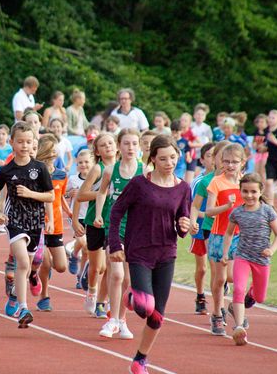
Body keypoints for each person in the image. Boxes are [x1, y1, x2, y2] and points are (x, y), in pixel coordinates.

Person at [108, 134, 191, 374]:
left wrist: (184, 226)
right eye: (163, 158)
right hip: (139, 252)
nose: (169, 162)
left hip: (166, 252)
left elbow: (181, 221)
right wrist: (115, 245)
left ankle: (140, 360)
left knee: (157, 316)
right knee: (144, 306)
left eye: (173, 157)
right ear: (153, 158)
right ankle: (131, 297)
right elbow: (116, 212)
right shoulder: (138, 184)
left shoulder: (183, 188)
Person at [0, 121, 54, 328]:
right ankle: (23, 307)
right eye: (20, 142)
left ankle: (14, 295)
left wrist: (30, 194)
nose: (24, 146)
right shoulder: (8, 169)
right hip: (15, 221)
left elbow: (51, 196)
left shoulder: (40, 168)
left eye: (28, 142)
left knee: (25, 269)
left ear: (33, 143)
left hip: (35, 222)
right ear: (12, 143)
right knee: (23, 263)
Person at [221, 173, 277, 345]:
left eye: (253, 192)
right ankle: (239, 327)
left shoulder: (267, 211)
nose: (249, 195)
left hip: (262, 259)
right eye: (245, 191)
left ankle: (248, 297)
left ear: (260, 191)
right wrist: (226, 253)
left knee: (260, 297)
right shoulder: (237, 213)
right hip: (242, 256)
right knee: (238, 289)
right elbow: (228, 233)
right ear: (240, 191)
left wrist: (272, 249)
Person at [94, 128, 142, 339]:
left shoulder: (145, 170)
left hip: (137, 229)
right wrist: (98, 214)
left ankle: (122, 321)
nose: (130, 147)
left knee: (129, 279)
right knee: (117, 273)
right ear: (119, 146)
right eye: (126, 143)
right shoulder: (110, 170)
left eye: (134, 143)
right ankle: (112, 319)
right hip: (114, 227)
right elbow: (102, 191)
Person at [76, 133, 118, 317]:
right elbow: (81, 195)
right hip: (96, 221)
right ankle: (92, 291)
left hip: (115, 222)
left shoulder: (124, 168)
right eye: (103, 145)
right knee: (96, 267)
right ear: (98, 151)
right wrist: (104, 193)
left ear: (117, 146)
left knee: (112, 264)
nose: (108, 146)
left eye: (110, 143)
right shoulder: (97, 169)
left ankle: (103, 302)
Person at [205, 143, 245, 335]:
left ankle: (235, 307)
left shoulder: (245, 183)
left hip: (241, 236)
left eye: (234, 162)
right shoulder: (216, 182)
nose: (230, 165)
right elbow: (209, 211)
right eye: (227, 162)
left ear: (242, 163)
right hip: (220, 235)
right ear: (221, 162)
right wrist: (226, 207)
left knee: (235, 277)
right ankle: (217, 315)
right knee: (220, 278)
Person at [35, 134, 70, 312]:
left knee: (61, 267)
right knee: (45, 263)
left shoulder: (61, 174)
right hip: (39, 225)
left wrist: (69, 211)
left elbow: (60, 196)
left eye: (55, 149)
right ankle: (44, 297)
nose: (54, 152)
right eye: (50, 149)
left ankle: (42, 271)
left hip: (56, 225)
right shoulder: (35, 173)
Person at [188, 142, 215, 314]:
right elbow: (192, 206)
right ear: (202, 160)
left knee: (217, 266)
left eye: (216, 155)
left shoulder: (224, 180)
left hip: (218, 227)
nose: (213, 159)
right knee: (203, 267)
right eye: (210, 156)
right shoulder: (199, 182)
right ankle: (200, 294)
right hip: (200, 226)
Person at [67, 149, 92, 288]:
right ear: (76, 164)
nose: (83, 165)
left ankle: (80, 276)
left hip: (90, 216)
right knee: (83, 243)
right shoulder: (73, 179)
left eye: (87, 162)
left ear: (92, 162)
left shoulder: (96, 179)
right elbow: (63, 195)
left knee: (87, 251)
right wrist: (70, 193)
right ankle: (74, 254)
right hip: (76, 215)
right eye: (80, 162)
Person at [252, 114, 268, 181]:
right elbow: (253, 143)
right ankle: (257, 184)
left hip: (265, 153)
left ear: (267, 123)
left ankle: (264, 186)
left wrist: (264, 146)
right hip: (258, 153)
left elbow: (268, 144)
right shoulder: (255, 132)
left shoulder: (267, 132)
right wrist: (255, 145)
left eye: (262, 122)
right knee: (256, 170)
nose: (260, 124)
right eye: (259, 122)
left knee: (263, 170)